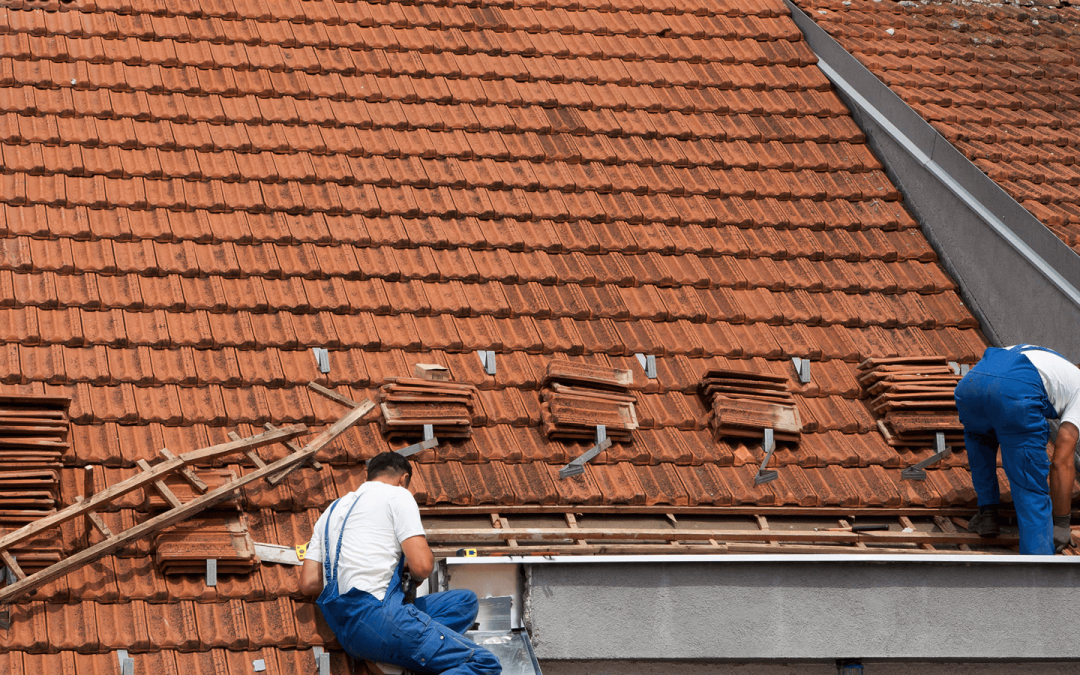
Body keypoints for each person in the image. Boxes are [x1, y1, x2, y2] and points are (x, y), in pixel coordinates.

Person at [299, 452, 502, 674]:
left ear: (369, 475)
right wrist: (411, 571)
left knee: (464, 602)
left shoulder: (331, 510)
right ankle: (402, 649)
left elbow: (309, 583)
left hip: (345, 628)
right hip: (380, 619)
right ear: (403, 479)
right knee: (483, 662)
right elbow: (423, 566)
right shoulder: (397, 495)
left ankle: (400, 657)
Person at [954, 344, 1079, 555]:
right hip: (1015, 391)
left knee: (980, 440)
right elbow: (1061, 462)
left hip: (970, 386)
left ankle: (987, 514)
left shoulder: (1052, 360)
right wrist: (1062, 524)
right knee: (1028, 480)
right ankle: (1037, 563)